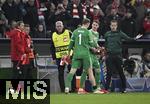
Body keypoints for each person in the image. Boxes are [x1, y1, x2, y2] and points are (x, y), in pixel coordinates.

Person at [104, 20, 142, 93]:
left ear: (117, 26)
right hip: (109, 56)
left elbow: (128, 39)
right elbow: (106, 44)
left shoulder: (120, 33)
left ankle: (124, 88)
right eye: (112, 25)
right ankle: (106, 89)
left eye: (115, 25)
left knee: (121, 72)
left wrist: (135, 38)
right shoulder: (107, 34)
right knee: (109, 73)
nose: (113, 27)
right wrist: (105, 53)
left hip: (118, 56)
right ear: (110, 26)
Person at [65, 18, 96, 94]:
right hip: (85, 54)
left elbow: (71, 44)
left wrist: (68, 54)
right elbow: (92, 44)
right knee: (89, 71)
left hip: (76, 54)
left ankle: (67, 88)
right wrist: (96, 47)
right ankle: (95, 88)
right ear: (88, 24)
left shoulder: (75, 32)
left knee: (72, 72)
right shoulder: (88, 32)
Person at [50, 21, 76, 92]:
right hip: (59, 57)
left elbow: (74, 42)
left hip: (69, 56)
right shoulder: (53, 35)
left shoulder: (68, 32)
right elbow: (52, 47)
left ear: (63, 26)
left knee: (72, 71)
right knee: (60, 73)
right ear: (55, 27)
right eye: (57, 26)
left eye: (60, 26)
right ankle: (63, 89)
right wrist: (53, 58)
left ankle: (73, 89)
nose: (59, 27)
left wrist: (74, 53)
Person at [5, 21, 30, 93]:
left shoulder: (20, 33)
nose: (23, 27)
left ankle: (18, 89)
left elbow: (22, 44)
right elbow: (18, 44)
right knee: (15, 73)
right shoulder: (17, 33)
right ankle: (11, 89)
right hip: (17, 56)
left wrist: (26, 51)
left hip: (19, 56)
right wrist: (23, 53)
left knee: (19, 73)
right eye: (22, 25)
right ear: (18, 26)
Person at [88, 20, 108, 93]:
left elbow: (95, 44)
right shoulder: (89, 32)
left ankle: (98, 87)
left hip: (94, 55)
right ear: (91, 25)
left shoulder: (97, 34)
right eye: (93, 25)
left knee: (98, 71)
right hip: (88, 54)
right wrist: (92, 48)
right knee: (87, 72)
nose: (94, 26)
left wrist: (100, 48)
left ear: (98, 26)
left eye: (96, 25)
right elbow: (86, 43)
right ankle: (83, 88)